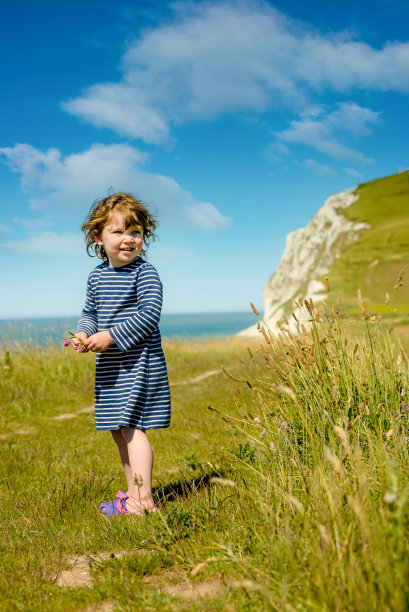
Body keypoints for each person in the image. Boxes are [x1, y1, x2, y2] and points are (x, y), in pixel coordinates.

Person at [72, 192, 171, 516]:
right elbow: (90, 312)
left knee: (132, 428)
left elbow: (149, 314)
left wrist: (111, 336)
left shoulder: (146, 273)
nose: (129, 239)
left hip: (139, 362)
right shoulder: (97, 276)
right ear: (98, 237)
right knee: (118, 430)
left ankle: (142, 500)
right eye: (118, 231)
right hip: (111, 367)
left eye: (136, 231)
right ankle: (132, 493)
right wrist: (84, 333)